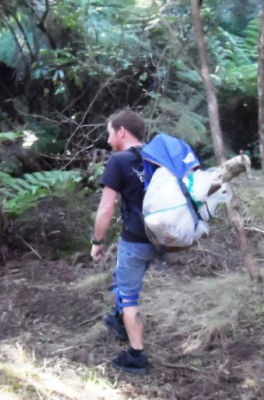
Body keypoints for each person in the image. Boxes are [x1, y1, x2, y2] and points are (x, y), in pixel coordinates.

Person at [91, 109, 157, 374]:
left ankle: (136, 355)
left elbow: (106, 209)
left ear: (121, 132)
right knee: (123, 280)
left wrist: (97, 241)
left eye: (109, 133)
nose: (108, 140)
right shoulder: (156, 157)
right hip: (161, 238)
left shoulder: (119, 161)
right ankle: (119, 320)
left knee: (129, 297)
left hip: (135, 241)